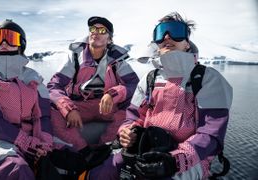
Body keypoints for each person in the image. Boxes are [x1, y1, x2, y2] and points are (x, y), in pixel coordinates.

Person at [88, 12, 233, 179]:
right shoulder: (150, 78)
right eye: (161, 33)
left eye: (176, 32)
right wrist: (127, 131)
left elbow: (210, 135)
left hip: (192, 158)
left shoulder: (208, 79)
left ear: (187, 43)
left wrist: (175, 161)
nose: (167, 37)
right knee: (102, 171)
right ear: (156, 43)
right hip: (148, 146)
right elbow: (133, 117)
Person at [0, 19, 54, 180]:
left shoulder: (33, 77)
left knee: (59, 161)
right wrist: (25, 142)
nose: (4, 42)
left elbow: (43, 115)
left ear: (21, 44)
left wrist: (44, 142)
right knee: (16, 168)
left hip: (32, 139)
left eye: (10, 38)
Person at [47, 16, 139, 155]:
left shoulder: (117, 61)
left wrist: (112, 94)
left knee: (130, 111)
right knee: (51, 111)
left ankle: (105, 148)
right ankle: (82, 150)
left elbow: (135, 86)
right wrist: (69, 108)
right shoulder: (75, 58)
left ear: (109, 39)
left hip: (106, 106)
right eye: (92, 29)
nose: (95, 32)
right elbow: (54, 86)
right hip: (79, 105)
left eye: (102, 30)